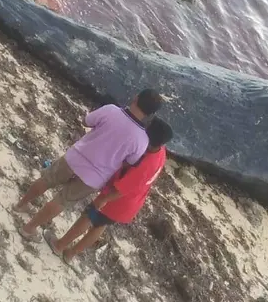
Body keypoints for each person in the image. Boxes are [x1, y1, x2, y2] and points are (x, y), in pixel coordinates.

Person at [12, 89, 163, 241]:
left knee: (47, 180)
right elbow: (129, 162)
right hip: (95, 176)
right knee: (62, 201)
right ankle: (29, 228)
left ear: (136, 98)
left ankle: (21, 205)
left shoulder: (111, 110)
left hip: (77, 156)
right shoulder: (142, 140)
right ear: (151, 114)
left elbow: (87, 121)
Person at [44, 117, 173, 262]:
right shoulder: (160, 152)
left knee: (88, 217)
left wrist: (102, 200)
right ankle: (71, 254)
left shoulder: (145, 164)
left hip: (116, 200)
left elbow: (122, 189)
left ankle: (59, 245)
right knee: (99, 225)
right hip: (132, 203)